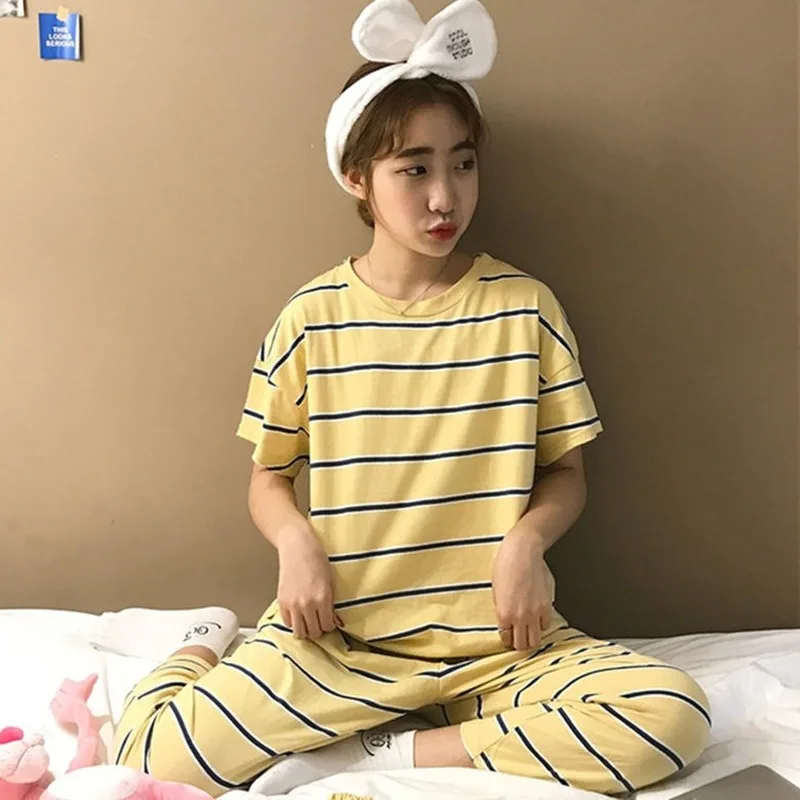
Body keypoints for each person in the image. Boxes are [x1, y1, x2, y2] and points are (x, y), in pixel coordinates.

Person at [90, 1, 711, 797]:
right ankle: (203, 639)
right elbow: (269, 477)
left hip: (497, 646)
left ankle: (391, 753)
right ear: (358, 178)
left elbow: (566, 473)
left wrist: (526, 544)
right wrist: (295, 545)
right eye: (414, 169)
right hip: (341, 646)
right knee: (146, 757)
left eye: (462, 164)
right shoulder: (311, 319)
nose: (445, 197)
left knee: (671, 715)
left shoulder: (526, 309)